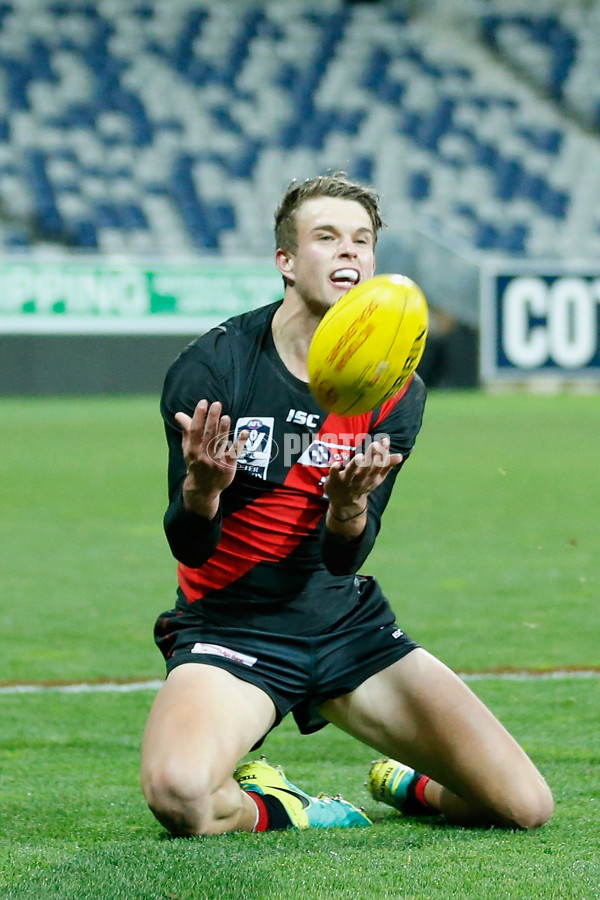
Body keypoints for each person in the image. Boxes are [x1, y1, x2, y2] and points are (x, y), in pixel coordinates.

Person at [141, 173, 553, 836]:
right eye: (327, 237)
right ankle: (283, 807)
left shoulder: (396, 391)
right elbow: (189, 546)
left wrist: (349, 507)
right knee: (178, 795)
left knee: (523, 807)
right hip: (233, 633)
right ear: (285, 260)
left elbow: (345, 557)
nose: (348, 254)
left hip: (346, 630)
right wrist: (202, 490)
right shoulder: (214, 368)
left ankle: (408, 785)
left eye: (361, 241)